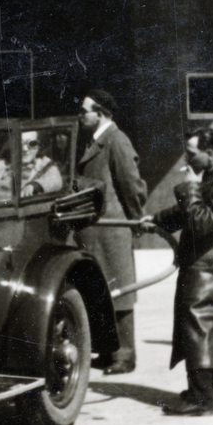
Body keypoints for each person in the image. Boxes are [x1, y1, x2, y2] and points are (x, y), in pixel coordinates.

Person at [142, 128, 213, 416]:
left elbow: (200, 221)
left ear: (210, 153)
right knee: (211, 328)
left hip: (210, 268)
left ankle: (202, 400)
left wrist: (189, 187)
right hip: (208, 265)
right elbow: (190, 212)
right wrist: (157, 220)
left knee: (199, 327)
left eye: (191, 154)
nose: (186, 160)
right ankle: (210, 392)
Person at [76, 89, 147, 374]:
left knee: (120, 294)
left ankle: (125, 355)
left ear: (101, 113)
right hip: (97, 232)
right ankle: (107, 351)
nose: (81, 115)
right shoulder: (95, 141)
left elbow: (132, 185)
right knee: (102, 293)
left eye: (85, 111)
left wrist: (136, 220)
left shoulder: (117, 141)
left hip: (113, 230)